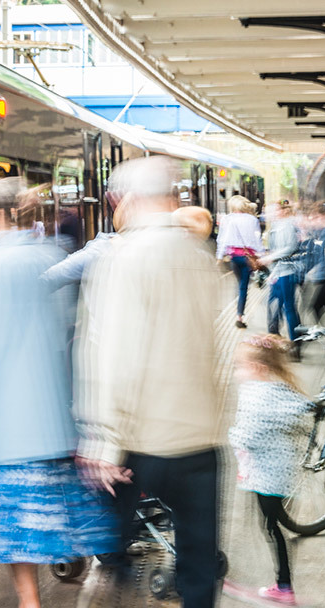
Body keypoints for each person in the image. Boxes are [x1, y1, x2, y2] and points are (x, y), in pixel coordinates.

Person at [0, 177, 118, 608]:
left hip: (2, 417)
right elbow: (66, 327)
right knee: (52, 511)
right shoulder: (46, 253)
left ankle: (29, 601)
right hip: (50, 410)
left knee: (15, 523)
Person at [77, 156, 224, 608]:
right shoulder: (199, 254)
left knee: (108, 545)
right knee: (199, 560)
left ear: (130, 200)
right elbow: (220, 344)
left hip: (144, 441)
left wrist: (104, 443)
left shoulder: (125, 257)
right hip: (201, 438)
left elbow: (115, 355)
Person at [227, 334, 313, 606]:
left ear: (258, 368)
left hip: (269, 477)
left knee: (271, 527)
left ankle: (284, 586)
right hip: (277, 473)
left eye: (241, 366)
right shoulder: (277, 388)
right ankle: (283, 583)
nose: (238, 372)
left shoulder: (259, 396)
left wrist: (229, 435)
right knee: (271, 525)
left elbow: (248, 436)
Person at [216, 195, 265, 328]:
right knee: (244, 286)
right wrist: (261, 255)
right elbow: (256, 240)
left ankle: (237, 311)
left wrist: (219, 256)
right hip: (247, 257)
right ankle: (239, 316)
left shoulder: (227, 219)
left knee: (239, 285)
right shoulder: (252, 219)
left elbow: (222, 239)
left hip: (234, 257)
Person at [262, 200, 303, 358]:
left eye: (273, 210)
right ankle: (277, 339)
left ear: (283, 211)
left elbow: (290, 248)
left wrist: (270, 257)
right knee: (277, 305)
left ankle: (294, 344)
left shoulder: (286, 225)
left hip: (286, 272)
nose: (269, 214)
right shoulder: (278, 225)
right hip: (278, 272)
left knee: (287, 307)